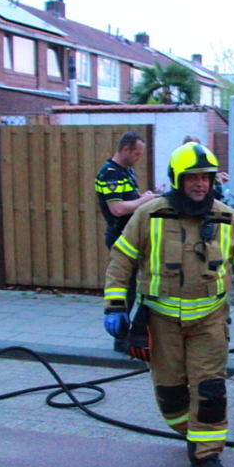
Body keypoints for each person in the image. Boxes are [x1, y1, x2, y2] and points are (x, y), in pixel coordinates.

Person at [102, 143, 234, 467]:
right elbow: (121, 261)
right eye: (192, 177)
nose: (200, 184)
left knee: (210, 390)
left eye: (206, 178)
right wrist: (115, 305)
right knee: (171, 394)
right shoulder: (149, 215)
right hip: (162, 322)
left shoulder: (228, 218)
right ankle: (191, 431)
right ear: (177, 179)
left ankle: (207, 452)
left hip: (210, 321)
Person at [94, 131, 158, 352]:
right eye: (137, 154)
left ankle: (138, 332)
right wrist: (144, 200)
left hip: (134, 236)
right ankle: (121, 338)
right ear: (125, 150)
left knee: (145, 283)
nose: (139, 158)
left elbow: (130, 200)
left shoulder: (126, 172)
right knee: (127, 288)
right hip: (121, 238)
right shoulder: (110, 174)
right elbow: (117, 208)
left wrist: (145, 197)